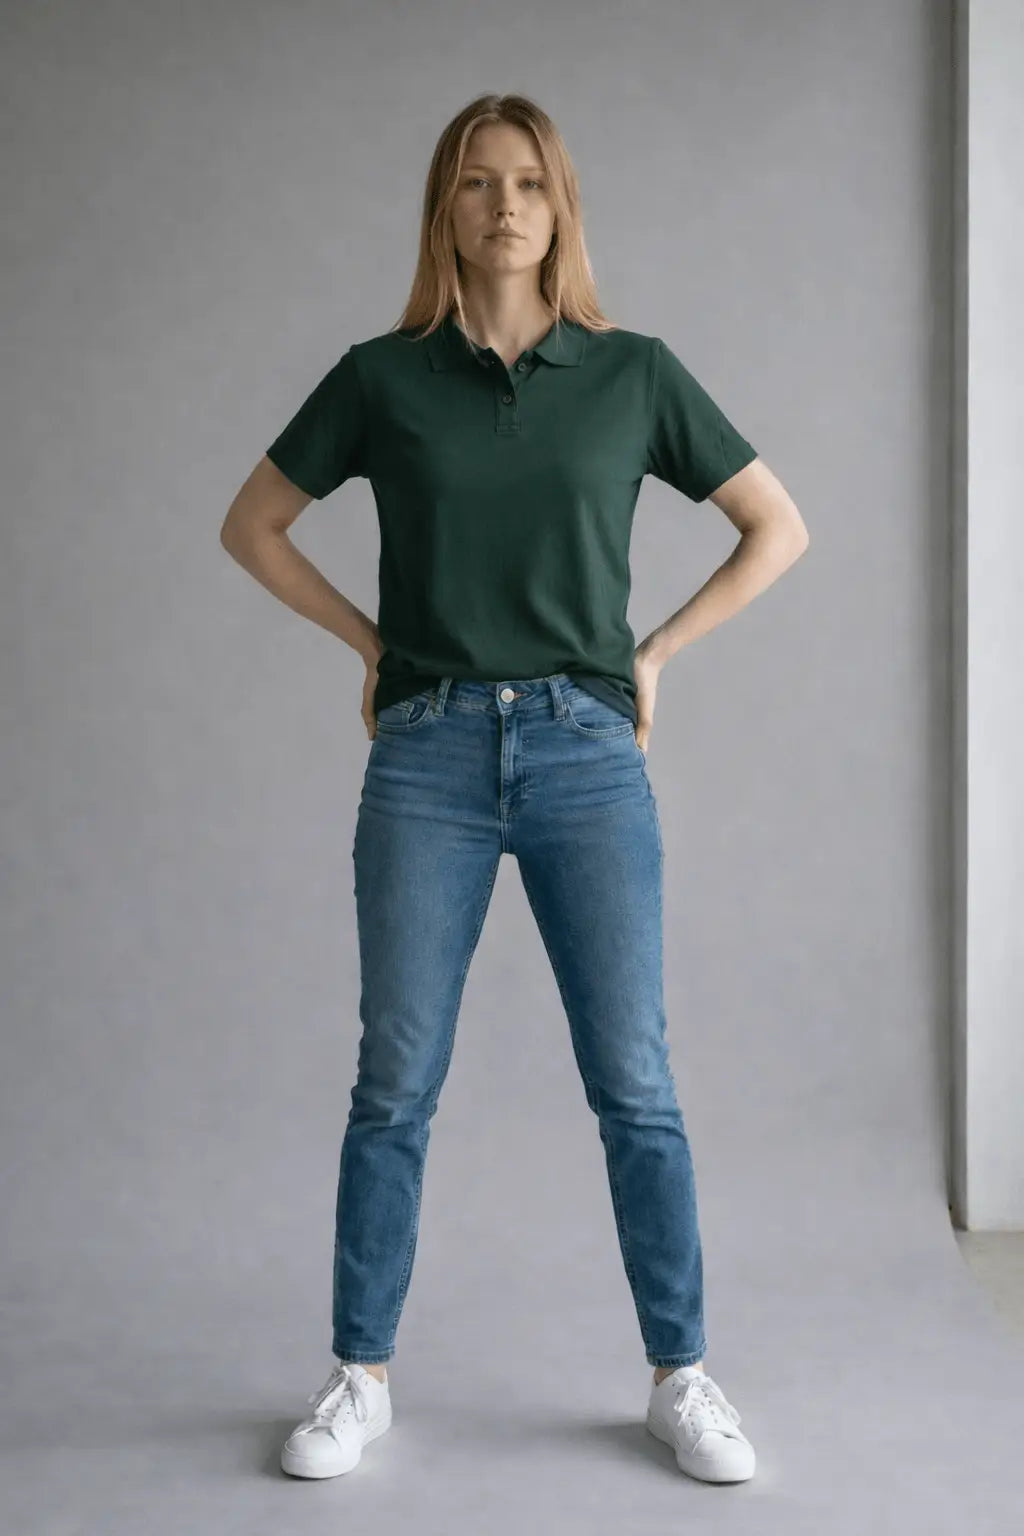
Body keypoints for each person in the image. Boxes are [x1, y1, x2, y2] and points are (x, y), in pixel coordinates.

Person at [220, 92, 808, 1486]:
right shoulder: (382, 377)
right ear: (445, 209)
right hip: (425, 753)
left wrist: (653, 652)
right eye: (478, 184)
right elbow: (252, 524)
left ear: (562, 207)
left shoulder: (632, 373)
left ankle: (682, 1375)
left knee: (636, 1082)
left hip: (584, 754)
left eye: (529, 183)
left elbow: (777, 526)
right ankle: (359, 1374)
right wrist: (369, 642)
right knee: (395, 1082)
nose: (504, 207)